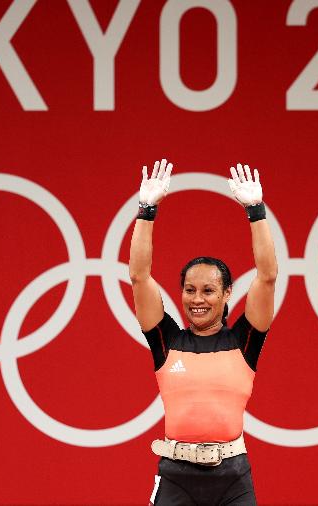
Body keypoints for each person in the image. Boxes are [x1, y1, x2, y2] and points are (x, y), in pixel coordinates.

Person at [129, 159, 278, 506]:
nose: (197, 299)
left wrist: (256, 211)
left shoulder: (244, 340)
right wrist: (146, 210)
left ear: (227, 294)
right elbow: (139, 276)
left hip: (233, 479)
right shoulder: (167, 341)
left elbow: (267, 276)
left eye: (208, 291)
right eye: (190, 290)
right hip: (176, 478)